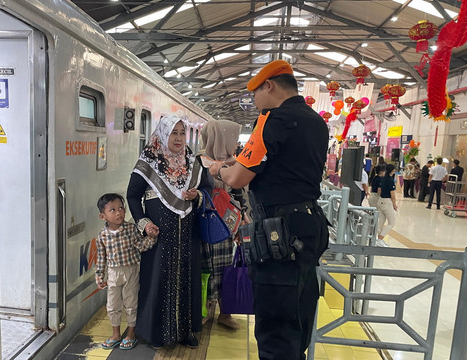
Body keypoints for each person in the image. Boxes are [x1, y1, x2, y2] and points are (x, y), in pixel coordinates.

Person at [208, 59, 329, 360]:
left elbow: (237, 177)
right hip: (310, 226)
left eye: (255, 94)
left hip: (279, 235)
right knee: (298, 316)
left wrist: (215, 169)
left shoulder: (271, 121)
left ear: (269, 85)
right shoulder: (316, 122)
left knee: (275, 329)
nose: (254, 102)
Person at [126, 115, 212, 349]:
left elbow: (208, 189)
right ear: (163, 134)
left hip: (188, 236)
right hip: (159, 236)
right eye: (173, 133)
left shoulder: (193, 163)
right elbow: (133, 195)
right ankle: (155, 334)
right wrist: (143, 222)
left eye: (182, 133)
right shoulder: (149, 161)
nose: (178, 138)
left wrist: (198, 196)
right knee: (157, 280)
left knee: (187, 279)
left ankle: (185, 332)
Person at [95, 193, 159, 350]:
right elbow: (101, 258)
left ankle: (131, 334)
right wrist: (99, 275)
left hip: (131, 271)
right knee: (112, 305)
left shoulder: (131, 229)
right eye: (113, 210)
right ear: (102, 216)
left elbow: (141, 246)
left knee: (131, 304)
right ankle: (115, 334)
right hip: (112, 273)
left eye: (121, 208)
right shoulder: (102, 236)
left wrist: (151, 237)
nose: (119, 212)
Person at [199, 120, 243, 330]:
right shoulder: (199, 162)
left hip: (228, 227)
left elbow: (242, 195)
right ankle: (205, 309)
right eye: (233, 138)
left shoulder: (238, 164)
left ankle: (226, 313)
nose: (235, 144)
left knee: (226, 269)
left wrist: (241, 224)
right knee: (206, 268)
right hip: (206, 224)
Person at [377, 164, 398, 245]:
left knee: (381, 221)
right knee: (391, 222)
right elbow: (392, 195)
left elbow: (379, 191)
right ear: (392, 170)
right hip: (387, 202)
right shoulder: (390, 180)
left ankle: (378, 239)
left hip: (381, 200)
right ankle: (381, 238)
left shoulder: (383, 179)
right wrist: (394, 204)